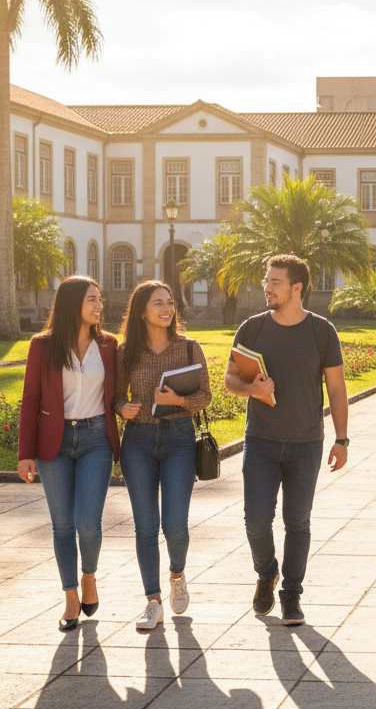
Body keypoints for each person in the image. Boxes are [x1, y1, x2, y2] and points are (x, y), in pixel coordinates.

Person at [225, 255, 348, 626]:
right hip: (260, 441)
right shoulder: (251, 328)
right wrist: (253, 390)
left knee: (298, 522)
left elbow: (337, 388)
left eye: (275, 282)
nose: (267, 287)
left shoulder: (322, 331)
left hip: (305, 443)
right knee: (255, 520)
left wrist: (342, 439)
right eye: (266, 281)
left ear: (297, 287)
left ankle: (291, 594)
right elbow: (230, 379)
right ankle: (267, 573)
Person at [18, 276, 120, 632]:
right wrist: (25, 452)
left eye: (100, 299)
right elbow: (30, 398)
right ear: (72, 303)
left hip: (96, 439)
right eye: (92, 299)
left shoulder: (108, 345)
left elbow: (117, 393)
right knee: (62, 526)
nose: (99, 305)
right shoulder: (42, 345)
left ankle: (89, 576)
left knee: (88, 522)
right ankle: (71, 596)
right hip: (54, 444)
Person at [116, 280, 212, 630]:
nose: (167, 308)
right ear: (142, 311)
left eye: (169, 302)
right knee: (145, 527)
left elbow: (206, 396)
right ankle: (153, 602)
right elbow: (115, 396)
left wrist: (178, 401)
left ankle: (177, 575)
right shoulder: (126, 351)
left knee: (174, 525)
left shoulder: (188, 348)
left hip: (178, 440)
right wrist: (121, 408)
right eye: (158, 303)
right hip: (138, 441)